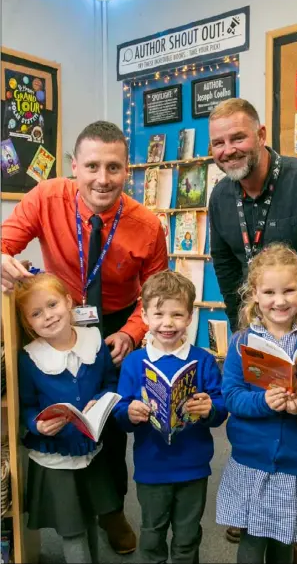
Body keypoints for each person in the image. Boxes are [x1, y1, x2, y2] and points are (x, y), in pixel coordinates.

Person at [1, 120, 168, 553]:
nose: (102, 178)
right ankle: (65, 507)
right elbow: (5, 242)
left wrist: (133, 332)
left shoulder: (147, 225)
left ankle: (111, 510)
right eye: (92, 165)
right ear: (75, 166)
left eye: (114, 167)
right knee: (56, 409)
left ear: (127, 171)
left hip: (115, 323)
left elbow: (156, 294)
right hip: (57, 315)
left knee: (108, 420)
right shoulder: (45, 197)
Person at [216, 243, 297, 564]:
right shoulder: (242, 343)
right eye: (269, 292)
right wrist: (266, 401)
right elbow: (233, 398)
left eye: (289, 290)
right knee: (252, 546)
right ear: (253, 294)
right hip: (252, 462)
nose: (279, 301)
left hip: (294, 466)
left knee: (284, 546)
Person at [113, 270, 228, 564]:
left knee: (188, 534)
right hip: (151, 466)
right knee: (151, 533)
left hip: (193, 466)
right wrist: (130, 412)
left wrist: (210, 408)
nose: (168, 323)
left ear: (190, 317)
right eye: (159, 313)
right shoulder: (134, 362)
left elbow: (220, 406)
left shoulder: (203, 360)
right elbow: (120, 411)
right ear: (146, 316)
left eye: (177, 314)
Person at [15, 272, 122, 564]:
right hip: (55, 459)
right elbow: (24, 406)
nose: (47, 316)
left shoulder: (94, 340)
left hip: (91, 451)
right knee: (71, 531)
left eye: (52, 305)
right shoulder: (29, 358)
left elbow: (110, 383)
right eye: (36, 313)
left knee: (89, 519)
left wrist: (100, 402)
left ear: (68, 301)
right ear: (28, 322)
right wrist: (36, 423)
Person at [208, 98, 297, 336]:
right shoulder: (220, 197)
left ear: (261, 135)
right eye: (218, 143)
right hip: (257, 334)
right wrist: (239, 328)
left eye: (238, 138)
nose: (228, 150)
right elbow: (226, 269)